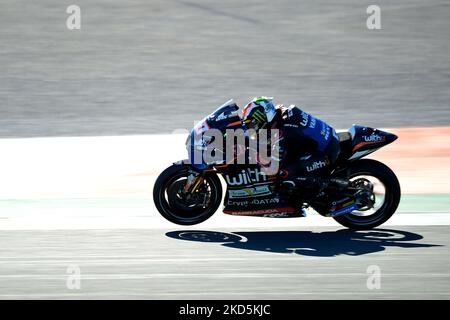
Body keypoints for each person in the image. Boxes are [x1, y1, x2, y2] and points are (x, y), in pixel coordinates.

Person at [241, 96, 342, 197]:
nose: (252, 129)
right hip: (325, 142)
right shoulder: (284, 114)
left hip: (326, 154)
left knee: (284, 174)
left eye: (253, 125)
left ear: (264, 116)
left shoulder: (285, 130)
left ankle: (320, 188)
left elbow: (273, 167)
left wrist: (253, 155)